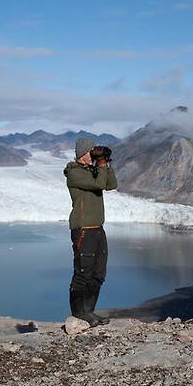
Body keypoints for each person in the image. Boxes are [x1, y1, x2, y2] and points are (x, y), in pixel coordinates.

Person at [63, 137, 117, 327]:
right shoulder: (75, 173)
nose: (94, 152)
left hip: (98, 228)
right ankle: (78, 314)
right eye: (91, 150)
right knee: (83, 273)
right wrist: (100, 163)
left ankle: (89, 312)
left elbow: (111, 184)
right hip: (83, 229)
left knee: (98, 273)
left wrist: (106, 163)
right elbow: (99, 184)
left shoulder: (92, 171)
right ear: (82, 153)